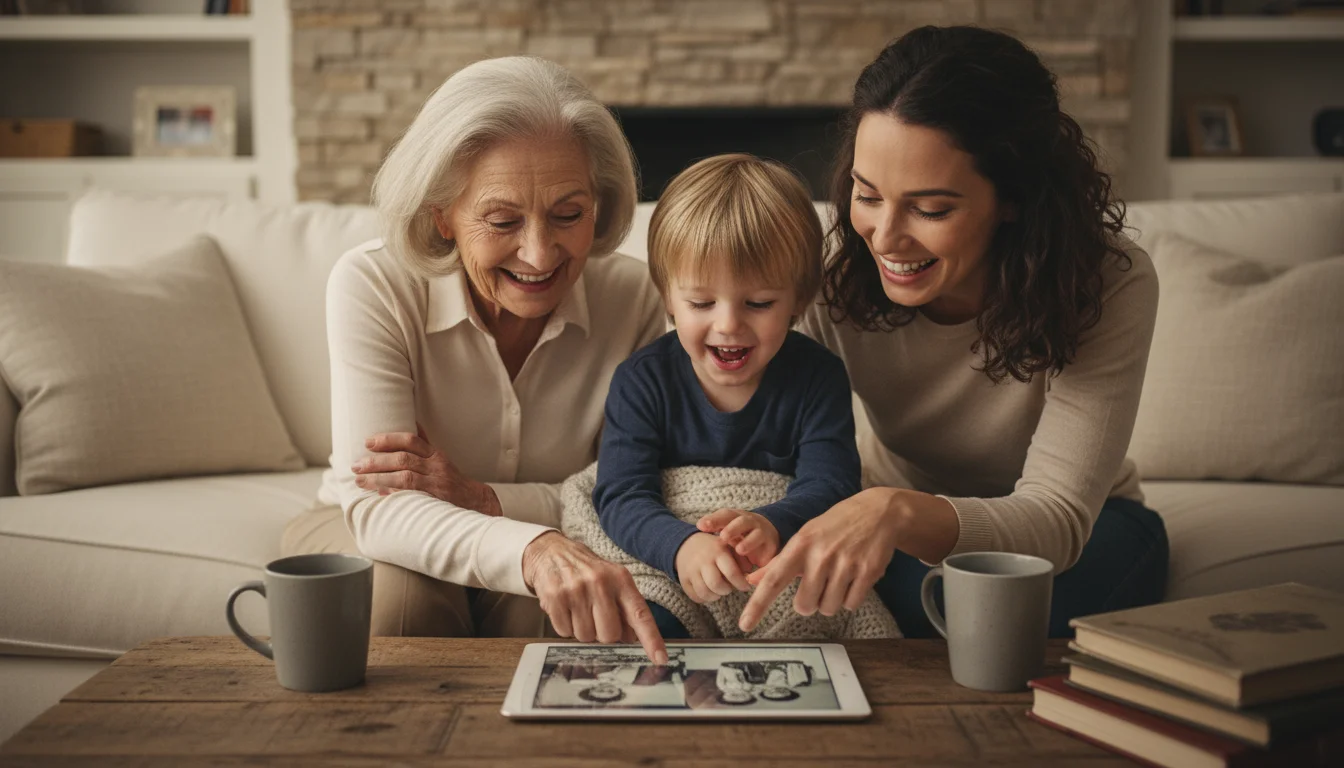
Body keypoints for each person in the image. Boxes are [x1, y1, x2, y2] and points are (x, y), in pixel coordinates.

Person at [732, 26, 1169, 638]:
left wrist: (894, 511)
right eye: (866, 195)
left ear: (1014, 198)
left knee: (990, 607)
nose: (885, 238)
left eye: (931, 209)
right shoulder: (830, 280)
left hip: (1086, 534)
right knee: (875, 593)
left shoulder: (1106, 283)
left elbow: (1057, 518)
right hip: (894, 532)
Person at [280, 56, 668, 663]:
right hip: (359, 523)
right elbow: (381, 510)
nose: (539, 255)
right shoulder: (374, 283)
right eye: (502, 219)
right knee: (406, 597)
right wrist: (533, 546)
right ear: (442, 215)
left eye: (569, 214)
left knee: (553, 610)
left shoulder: (637, 299)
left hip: (566, 531)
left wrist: (486, 500)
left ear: (600, 202)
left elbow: (627, 490)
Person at [591, 154, 863, 638]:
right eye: (701, 302)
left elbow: (833, 486)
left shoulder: (818, 377)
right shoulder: (641, 380)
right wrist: (680, 547)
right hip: (669, 564)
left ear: (799, 302)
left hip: (772, 565)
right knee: (642, 622)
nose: (729, 325)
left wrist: (774, 522)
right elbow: (620, 496)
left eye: (758, 303)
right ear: (667, 297)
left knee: (828, 614)